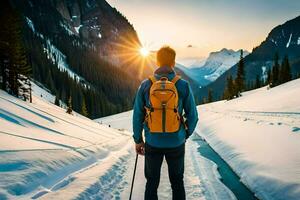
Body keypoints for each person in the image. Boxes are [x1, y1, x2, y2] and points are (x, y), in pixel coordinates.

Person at [132, 46, 198, 200]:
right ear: (173, 62)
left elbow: (137, 115)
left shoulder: (146, 85)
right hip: (176, 142)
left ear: (157, 61)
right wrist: (184, 134)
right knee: (177, 182)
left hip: (153, 142)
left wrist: (138, 140)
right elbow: (193, 116)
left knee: (152, 182)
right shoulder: (182, 85)